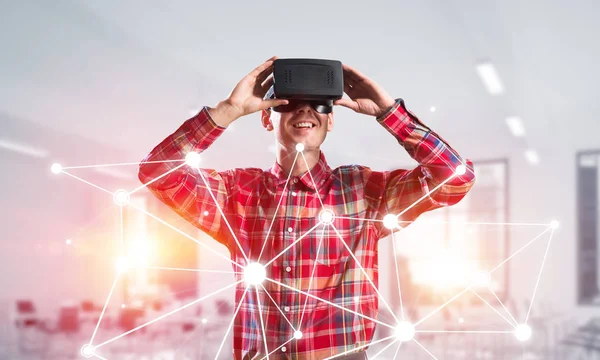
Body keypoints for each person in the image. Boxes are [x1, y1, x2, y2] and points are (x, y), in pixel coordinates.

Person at [138, 55, 475, 359]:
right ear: (267, 120)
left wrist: (391, 114)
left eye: (319, 104)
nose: (304, 111)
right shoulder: (237, 194)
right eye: (289, 103)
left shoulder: (365, 191)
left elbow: (455, 178)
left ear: (331, 121)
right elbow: (157, 172)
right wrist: (227, 110)